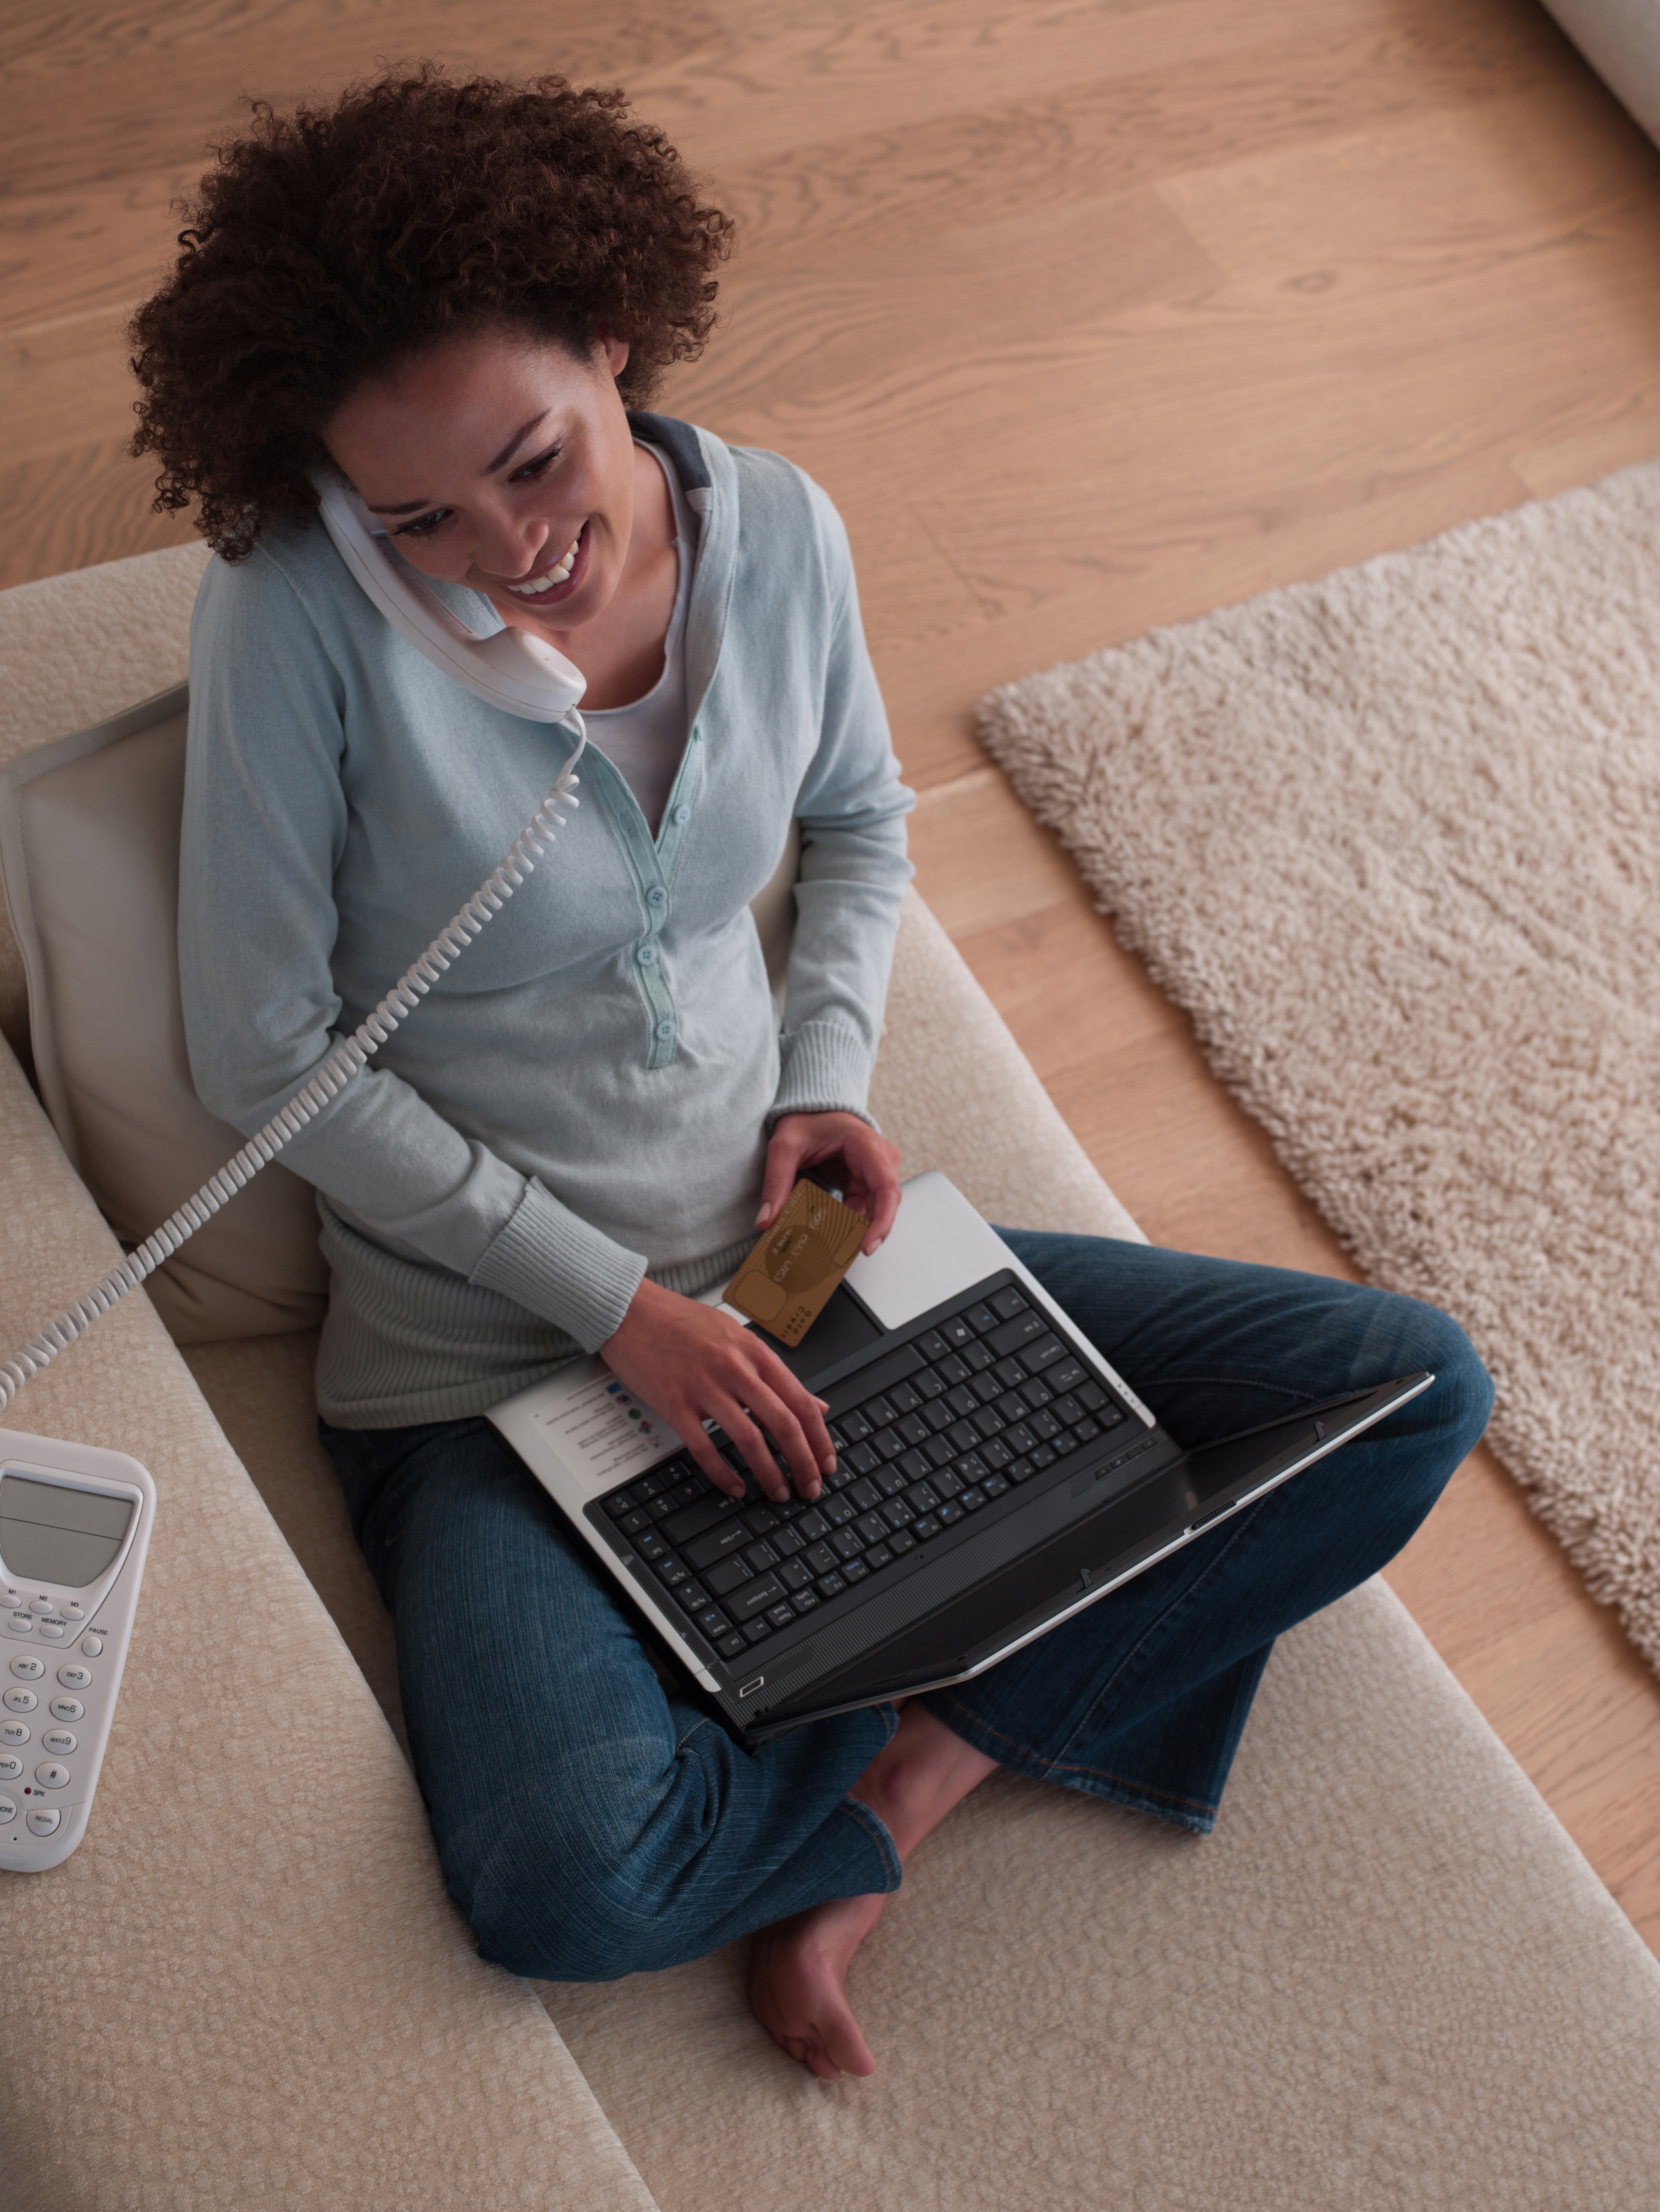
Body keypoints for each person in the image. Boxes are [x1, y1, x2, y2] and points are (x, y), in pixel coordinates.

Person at [130, 66, 1494, 2082]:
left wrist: (820, 1079)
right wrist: (616, 1312)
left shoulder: (778, 532)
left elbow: (861, 821)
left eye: (538, 461)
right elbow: (260, 1055)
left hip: (797, 1273)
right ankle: (902, 1714)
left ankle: (915, 1771)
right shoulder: (294, 621)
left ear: (616, 341)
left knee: (1411, 1387)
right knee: (563, 1878)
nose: (513, 559)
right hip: (485, 1372)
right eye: (419, 518)